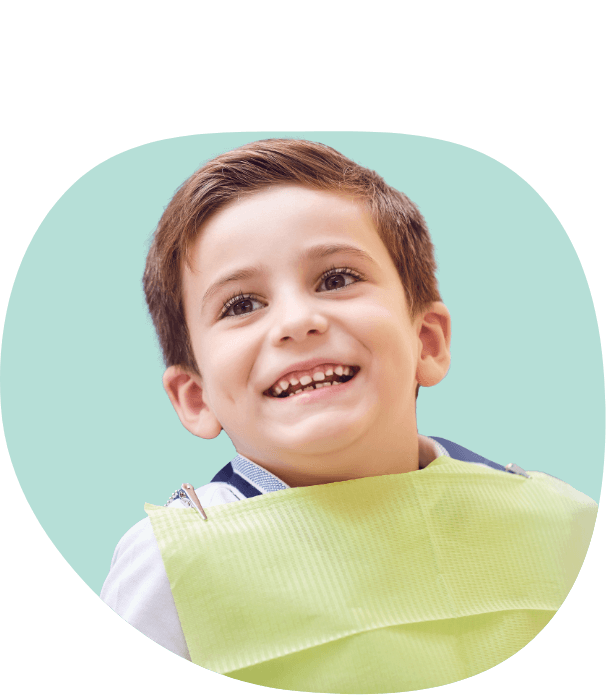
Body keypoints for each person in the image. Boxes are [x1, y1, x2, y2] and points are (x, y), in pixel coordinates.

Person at [100, 139, 597, 689]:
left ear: (426, 341)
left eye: (336, 279)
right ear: (196, 398)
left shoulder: (560, 526)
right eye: (241, 304)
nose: (297, 320)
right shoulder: (168, 571)